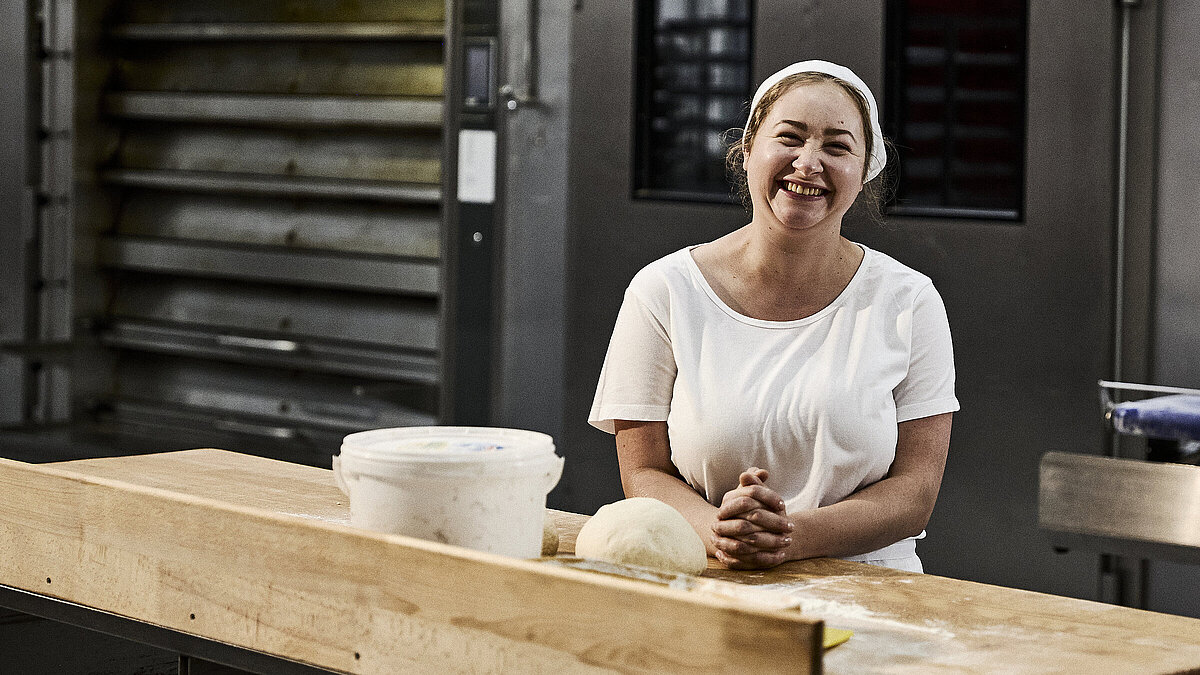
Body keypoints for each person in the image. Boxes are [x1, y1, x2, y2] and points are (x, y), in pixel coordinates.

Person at [587, 60, 958, 573]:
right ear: (746, 151)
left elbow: (915, 492)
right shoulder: (665, 291)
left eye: (837, 145)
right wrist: (718, 531)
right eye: (790, 137)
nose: (808, 163)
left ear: (864, 169)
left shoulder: (909, 301)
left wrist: (789, 535)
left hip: (873, 588)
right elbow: (644, 473)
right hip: (709, 578)